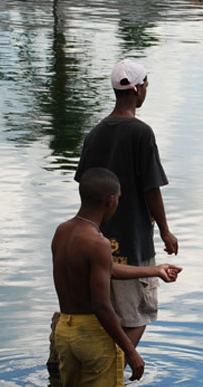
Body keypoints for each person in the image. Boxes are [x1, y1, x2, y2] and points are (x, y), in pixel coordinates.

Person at [52, 167, 182, 387]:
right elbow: (102, 306)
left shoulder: (63, 232)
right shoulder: (98, 242)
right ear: (111, 200)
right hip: (93, 337)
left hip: (66, 330)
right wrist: (130, 351)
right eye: (119, 198)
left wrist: (155, 270)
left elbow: (105, 268)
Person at [74, 58, 178, 354]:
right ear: (138, 89)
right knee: (138, 314)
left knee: (104, 313)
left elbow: (85, 186)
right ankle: (111, 370)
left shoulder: (94, 134)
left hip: (97, 240)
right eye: (146, 85)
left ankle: (97, 370)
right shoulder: (141, 133)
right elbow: (151, 189)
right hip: (133, 242)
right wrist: (166, 232)